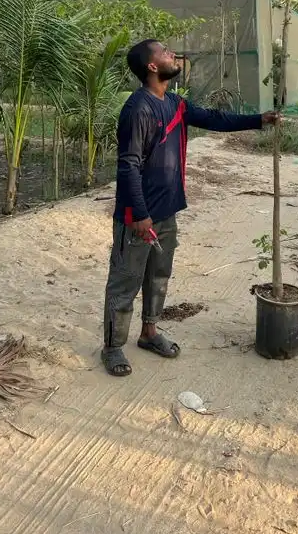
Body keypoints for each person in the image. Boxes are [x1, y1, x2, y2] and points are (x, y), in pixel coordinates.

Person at [102, 39, 278, 376]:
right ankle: (112, 347)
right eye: (164, 52)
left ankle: (149, 332)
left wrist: (260, 120)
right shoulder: (138, 109)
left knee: (158, 276)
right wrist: (139, 214)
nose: (172, 55)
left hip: (167, 211)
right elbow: (128, 166)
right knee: (125, 282)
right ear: (152, 67)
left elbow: (215, 119)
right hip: (138, 217)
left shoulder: (175, 104)